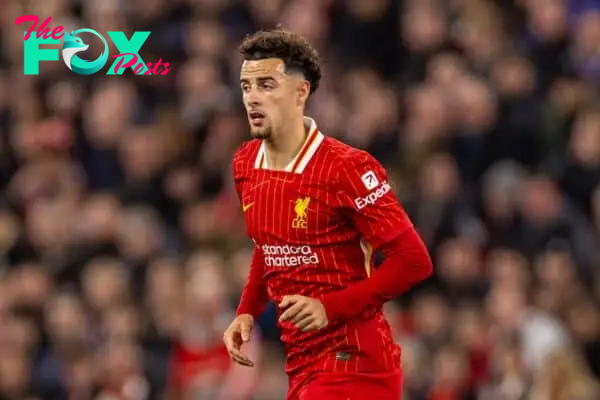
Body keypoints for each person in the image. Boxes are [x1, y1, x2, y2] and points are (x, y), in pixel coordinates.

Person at [222, 29, 433, 400]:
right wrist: (247, 311)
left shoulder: (346, 168)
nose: (253, 98)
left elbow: (414, 261)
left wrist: (329, 307)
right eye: (246, 86)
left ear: (300, 92)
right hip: (303, 366)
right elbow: (269, 247)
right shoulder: (245, 164)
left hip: (356, 362)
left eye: (267, 85)